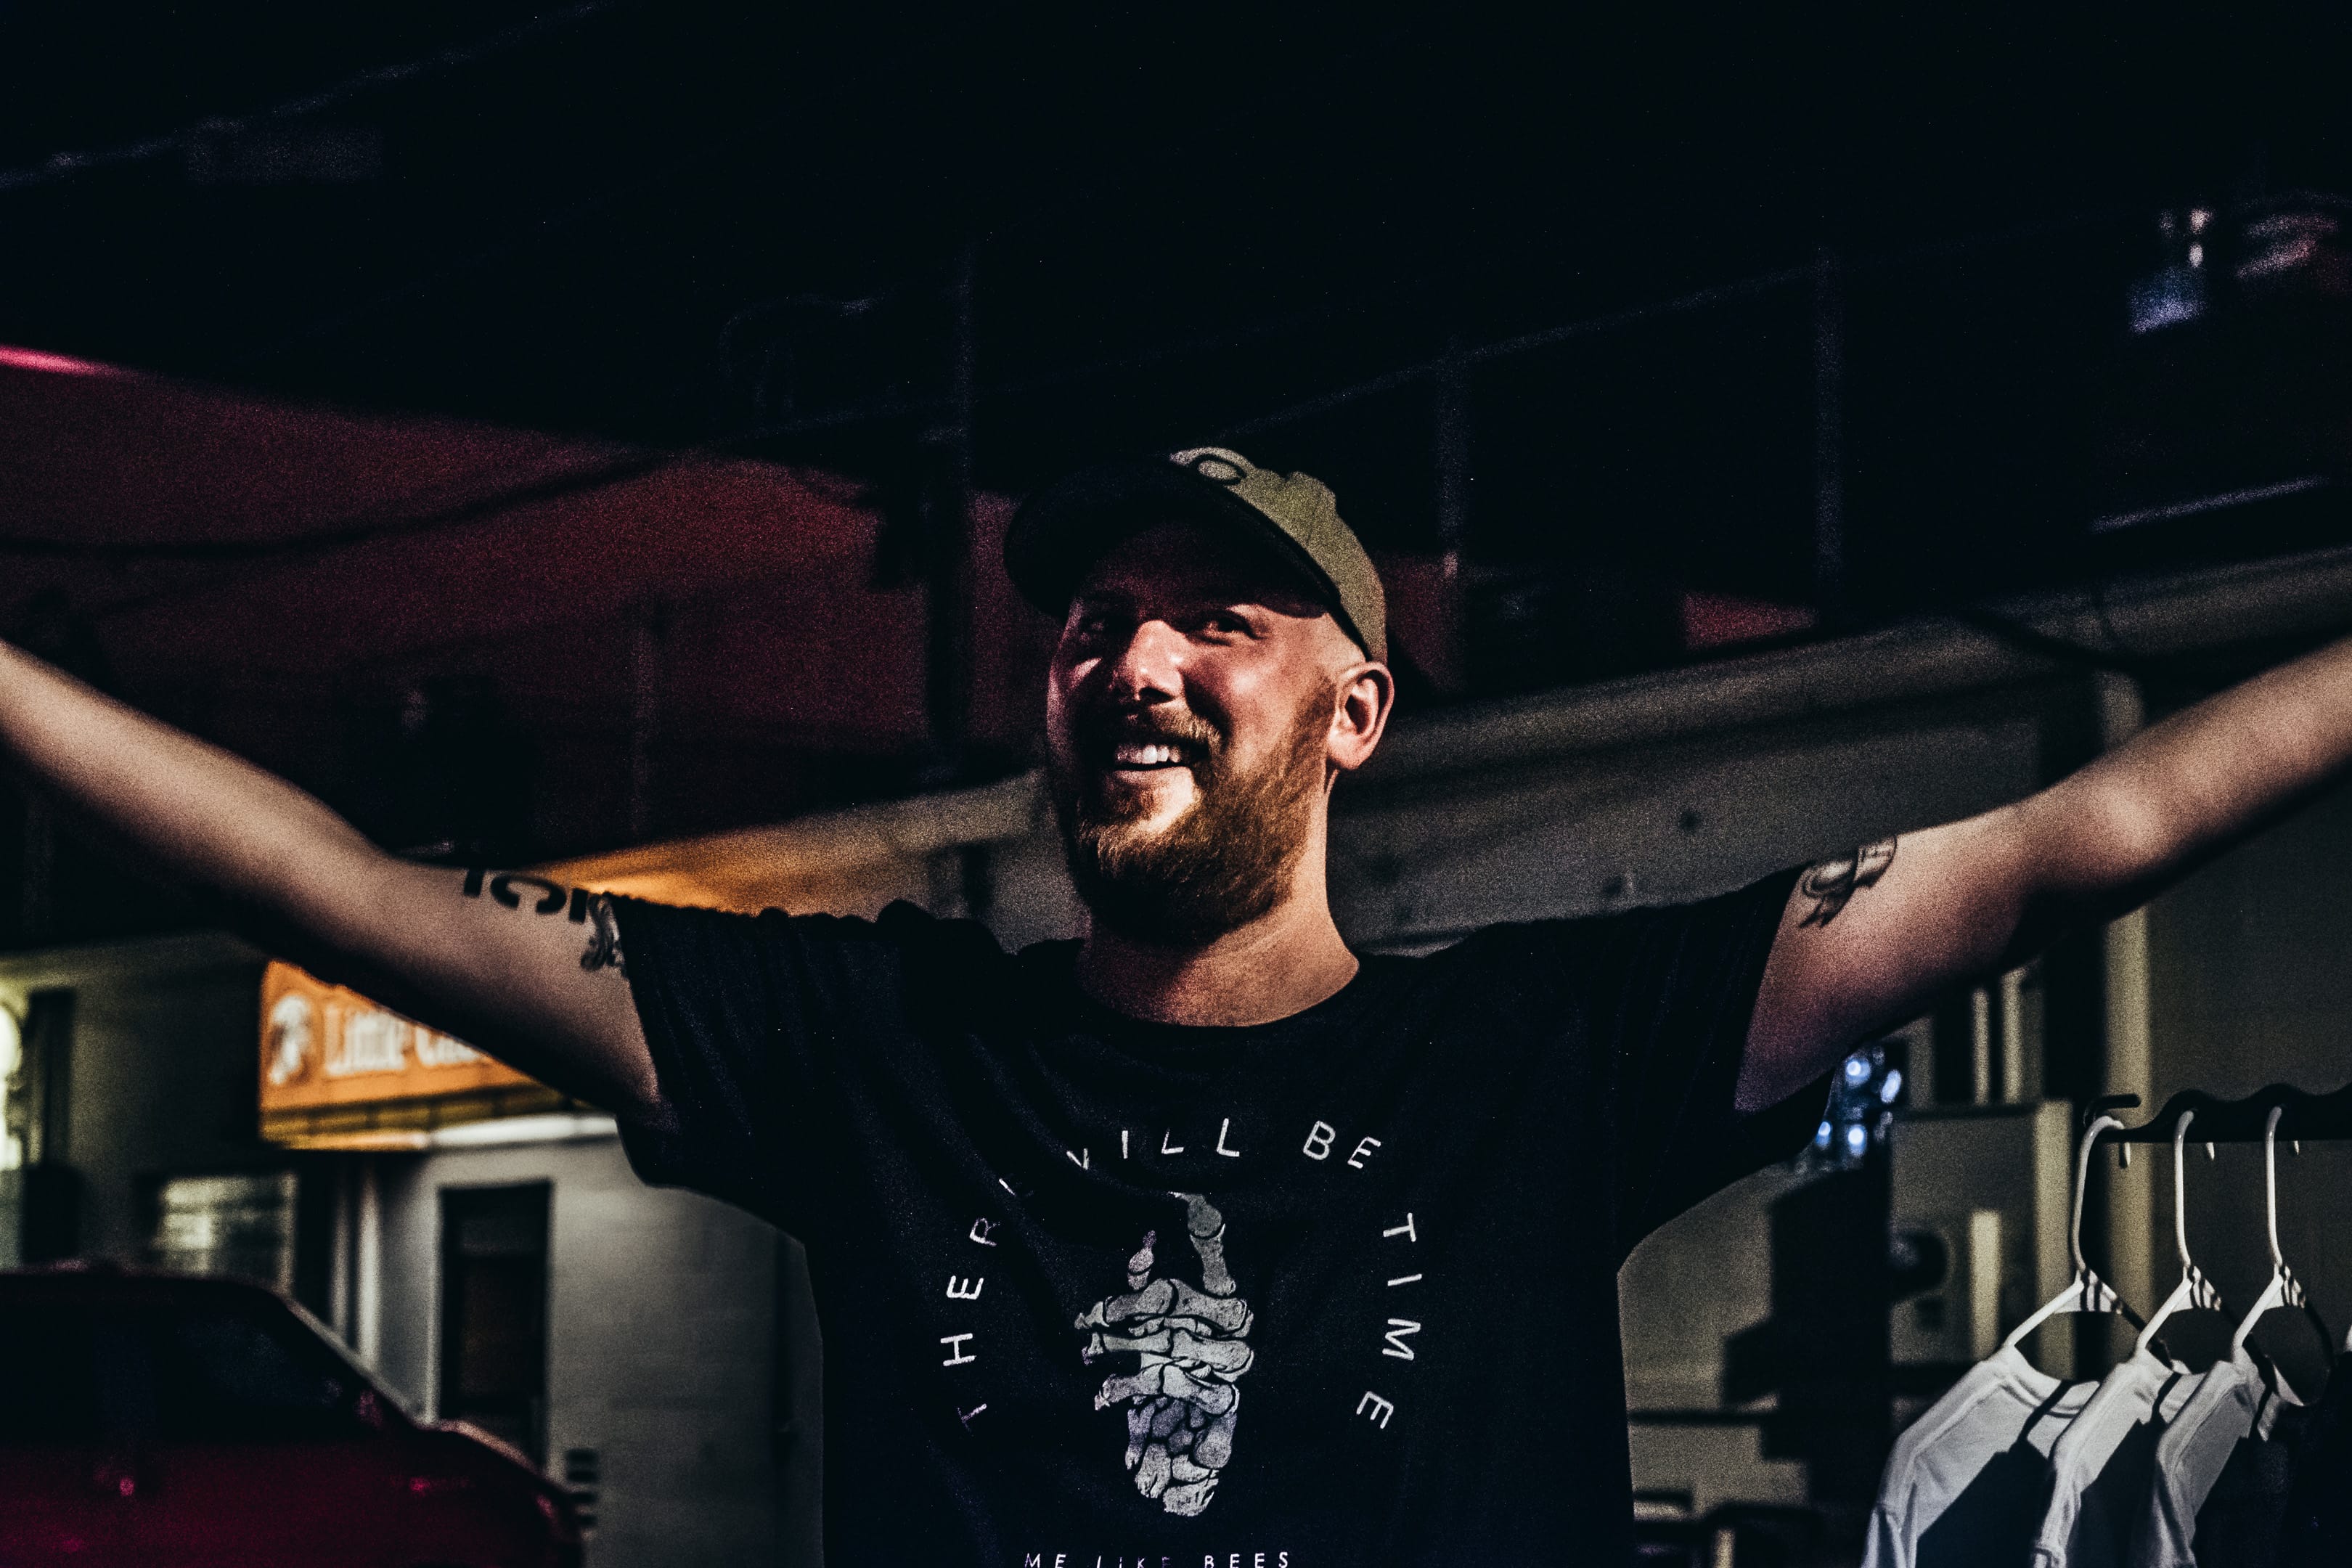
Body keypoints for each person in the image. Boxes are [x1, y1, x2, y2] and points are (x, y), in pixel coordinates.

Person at [2, 444, 2348, 1565]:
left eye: (1217, 620)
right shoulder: (880, 1052)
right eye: (1095, 619)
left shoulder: (1543, 1057)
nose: (1131, 657)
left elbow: (2087, 837)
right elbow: (346, 894)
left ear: (1355, 711)